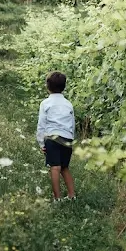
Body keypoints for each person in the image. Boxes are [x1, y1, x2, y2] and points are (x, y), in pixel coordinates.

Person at [35, 71, 76, 201]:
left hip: (52, 138)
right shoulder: (68, 104)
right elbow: (72, 123)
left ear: (47, 86)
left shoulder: (45, 103)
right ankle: (71, 195)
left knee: (55, 167)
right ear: (64, 87)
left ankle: (57, 198)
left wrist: (41, 143)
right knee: (64, 167)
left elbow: (42, 124)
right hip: (67, 138)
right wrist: (71, 139)